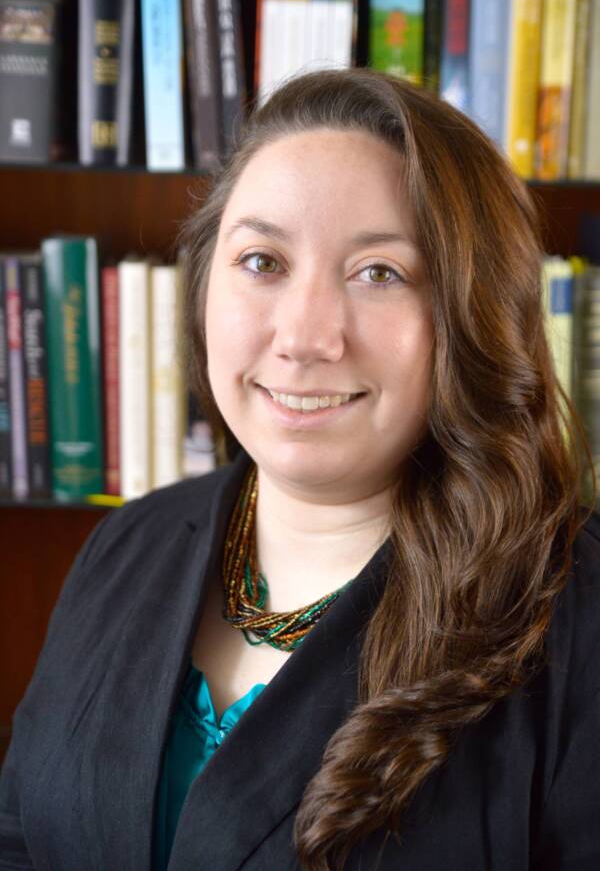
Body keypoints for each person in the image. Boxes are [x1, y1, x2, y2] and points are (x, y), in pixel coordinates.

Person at [1, 68, 599, 871]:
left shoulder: (575, 615)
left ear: (470, 315)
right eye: (262, 261)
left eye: (379, 272)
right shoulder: (127, 545)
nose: (305, 336)